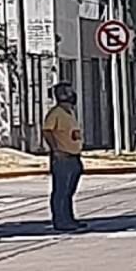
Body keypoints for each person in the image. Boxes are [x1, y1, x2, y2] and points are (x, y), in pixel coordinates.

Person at [42, 82, 85, 232]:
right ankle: (60, 221)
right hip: (62, 157)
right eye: (69, 92)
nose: (73, 95)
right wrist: (55, 149)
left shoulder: (70, 113)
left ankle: (69, 218)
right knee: (61, 190)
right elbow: (47, 131)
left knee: (69, 191)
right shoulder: (56, 113)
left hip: (74, 156)